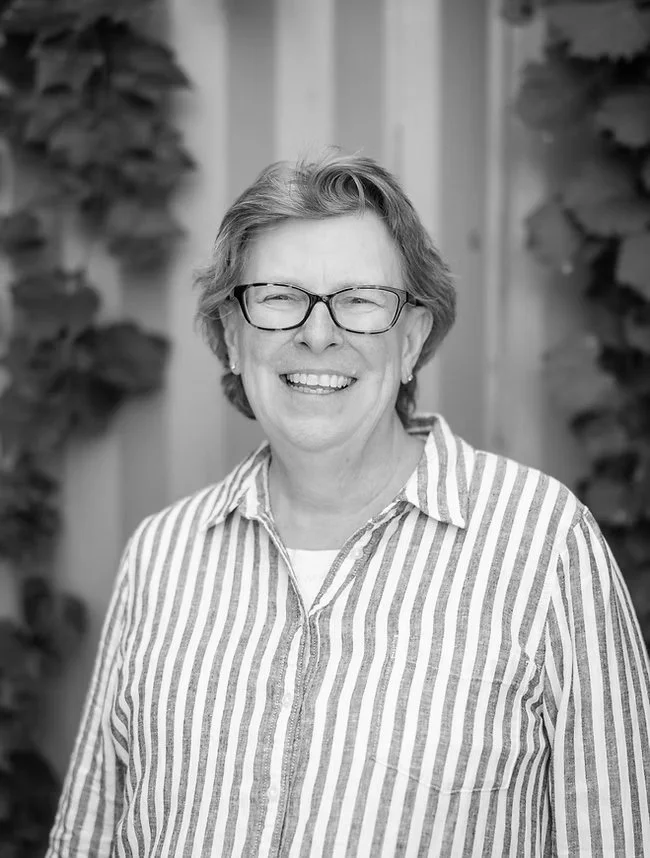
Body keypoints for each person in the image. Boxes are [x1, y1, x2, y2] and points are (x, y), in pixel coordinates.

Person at [46, 151, 650, 858]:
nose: (319, 333)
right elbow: (86, 840)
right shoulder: (162, 557)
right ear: (232, 337)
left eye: (360, 300)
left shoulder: (541, 546)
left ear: (413, 339)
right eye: (278, 296)